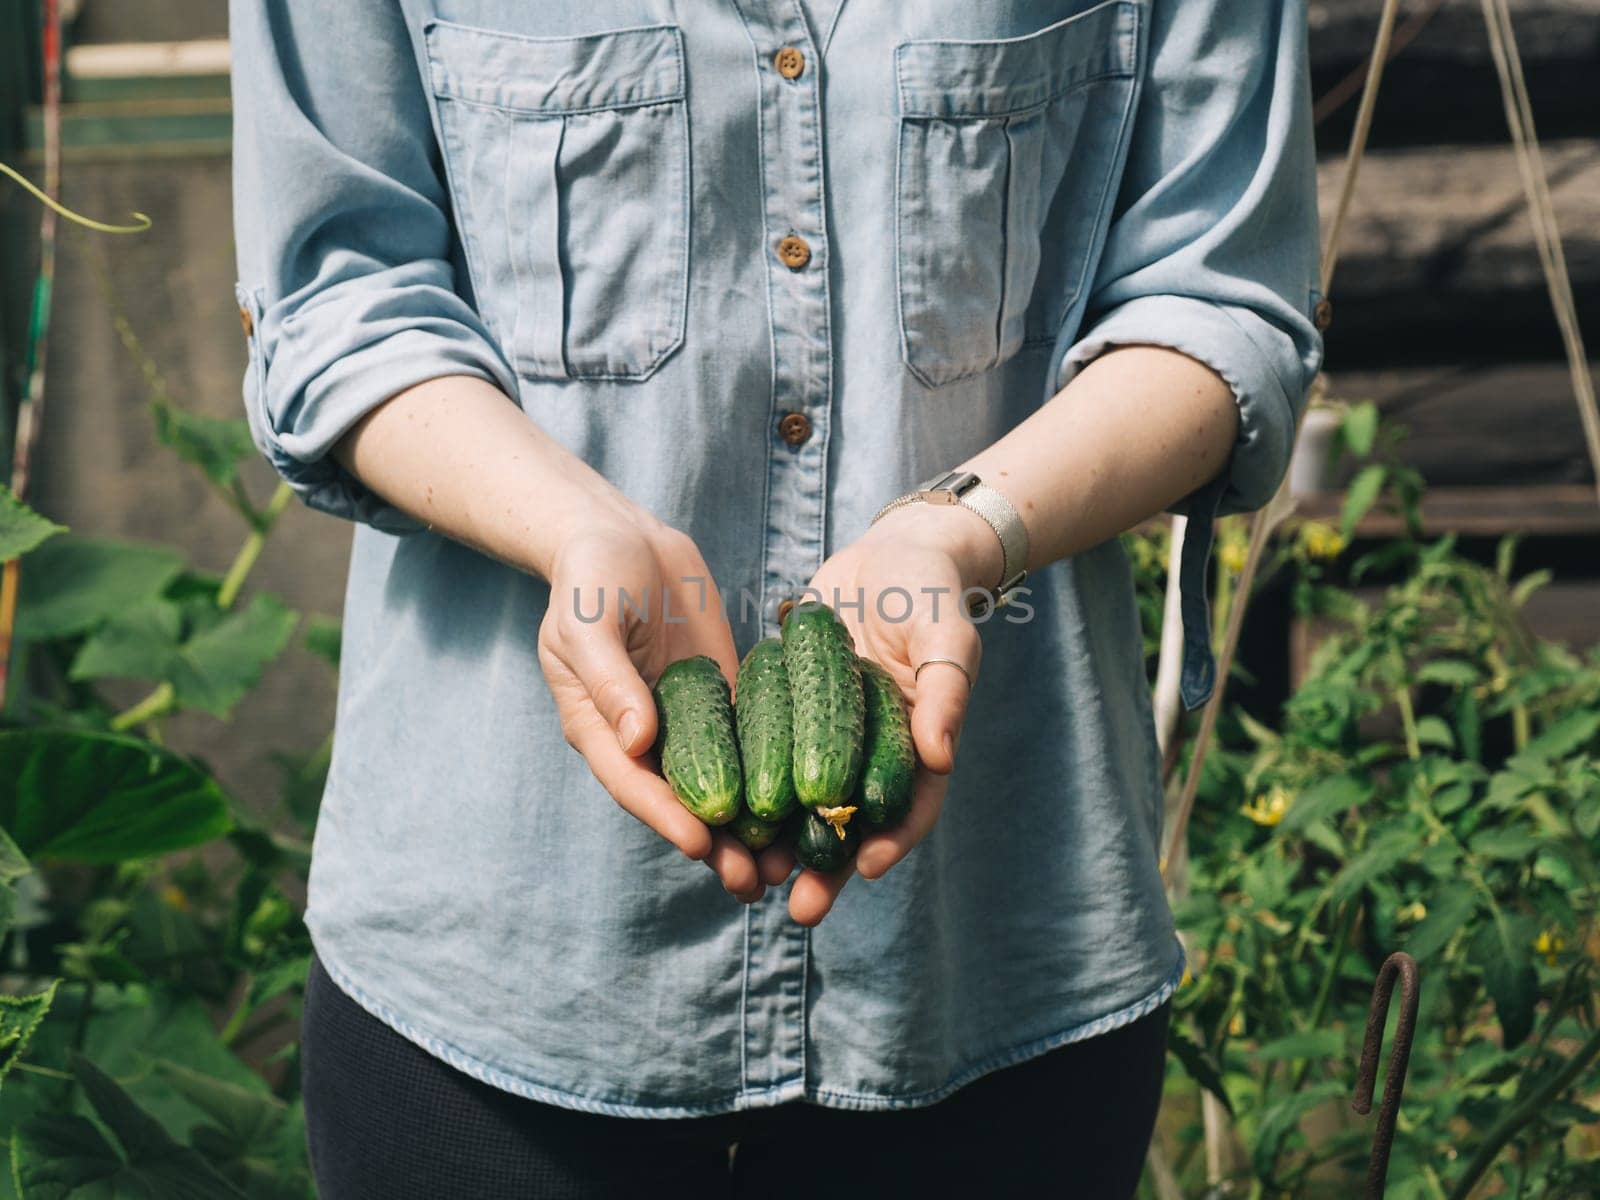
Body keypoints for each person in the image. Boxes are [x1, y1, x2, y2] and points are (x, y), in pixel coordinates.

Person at [230, 1, 1323, 1196]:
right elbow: (340, 301)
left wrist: (961, 530)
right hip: (495, 967)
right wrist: (573, 528)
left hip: (996, 947)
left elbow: (1221, 306)